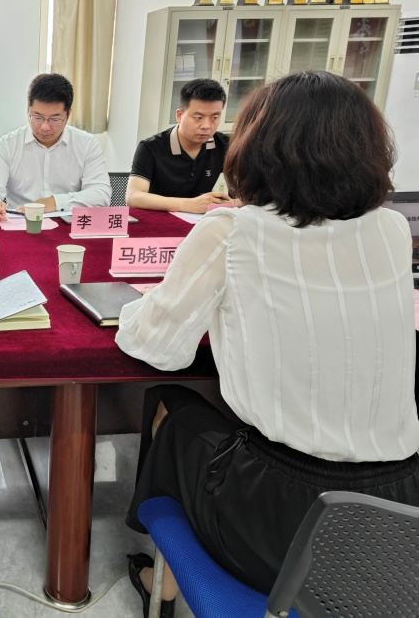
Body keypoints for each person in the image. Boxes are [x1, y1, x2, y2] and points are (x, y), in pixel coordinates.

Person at [116, 72, 419, 618]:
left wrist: (144, 302)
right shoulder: (394, 231)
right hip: (396, 518)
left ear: (258, 148)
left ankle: (165, 584)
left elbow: (156, 346)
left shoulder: (232, 231)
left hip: (280, 524)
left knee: (171, 407)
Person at [0, 73, 111, 222]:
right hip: (21, 224)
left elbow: (101, 194)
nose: (45, 127)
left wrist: (54, 202)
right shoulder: (7, 145)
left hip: (69, 225)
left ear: (68, 114)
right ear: (28, 110)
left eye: (54, 119)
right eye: (38, 117)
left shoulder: (87, 144)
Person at [126, 78, 232, 214]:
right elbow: (133, 197)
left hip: (202, 220)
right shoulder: (150, 148)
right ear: (179, 115)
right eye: (198, 118)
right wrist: (190, 204)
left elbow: (248, 193)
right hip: (159, 219)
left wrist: (232, 202)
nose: (206, 126)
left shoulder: (226, 145)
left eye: (214, 118)